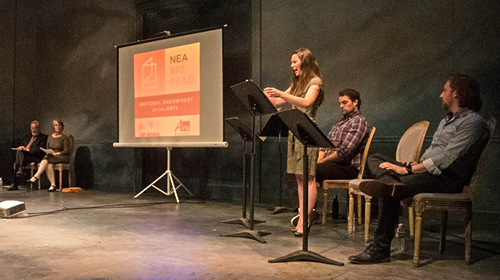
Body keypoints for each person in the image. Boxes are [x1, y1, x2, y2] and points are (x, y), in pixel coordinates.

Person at [348, 73, 490, 264]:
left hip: (447, 179)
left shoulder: (473, 123)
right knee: (376, 158)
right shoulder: (447, 120)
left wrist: (409, 171)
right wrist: (414, 165)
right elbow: (433, 151)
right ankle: (390, 183)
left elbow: (448, 158)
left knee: (390, 191)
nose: (441, 95)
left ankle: (380, 249)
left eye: (445, 90)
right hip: (426, 171)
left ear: (456, 93)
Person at [264, 47, 325, 236]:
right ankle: (302, 217)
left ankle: (305, 219)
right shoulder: (297, 83)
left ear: (305, 62)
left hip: (307, 131)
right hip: (294, 131)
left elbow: (306, 102)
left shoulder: (315, 82)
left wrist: (281, 94)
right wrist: (265, 97)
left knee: (309, 177)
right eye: (291, 62)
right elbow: (278, 103)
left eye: (294, 62)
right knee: (299, 178)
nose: (292, 66)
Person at [316, 88, 370, 184]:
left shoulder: (358, 121)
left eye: (344, 103)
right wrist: (320, 158)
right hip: (332, 164)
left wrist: (322, 161)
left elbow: (343, 152)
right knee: (298, 169)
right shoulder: (339, 123)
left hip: (347, 167)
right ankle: (304, 199)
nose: (341, 106)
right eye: (340, 103)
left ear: (355, 102)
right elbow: (325, 144)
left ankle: (307, 199)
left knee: (310, 169)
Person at [28, 119, 71, 192]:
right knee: (48, 164)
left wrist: (58, 153)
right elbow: (47, 148)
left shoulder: (64, 137)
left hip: (61, 156)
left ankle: (36, 176)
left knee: (47, 159)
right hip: (51, 156)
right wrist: (48, 152)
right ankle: (53, 185)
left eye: (58, 125)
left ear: (61, 126)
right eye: (55, 125)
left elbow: (66, 150)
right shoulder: (50, 136)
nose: (56, 127)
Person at [8, 120, 48, 191]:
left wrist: (28, 150)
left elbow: (40, 150)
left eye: (35, 128)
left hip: (34, 156)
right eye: (32, 128)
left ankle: (15, 182)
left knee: (17, 161)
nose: (34, 130)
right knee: (18, 153)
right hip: (24, 157)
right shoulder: (27, 136)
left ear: (39, 128)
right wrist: (21, 147)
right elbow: (22, 145)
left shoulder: (43, 137)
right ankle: (19, 170)